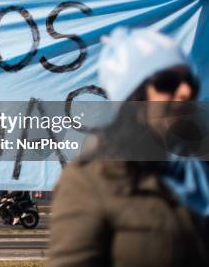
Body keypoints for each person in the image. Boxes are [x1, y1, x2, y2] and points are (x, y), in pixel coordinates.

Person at [49, 27, 209, 267]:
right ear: (134, 98)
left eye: (190, 81)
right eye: (168, 82)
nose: (185, 91)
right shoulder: (92, 181)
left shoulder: (201, 171)